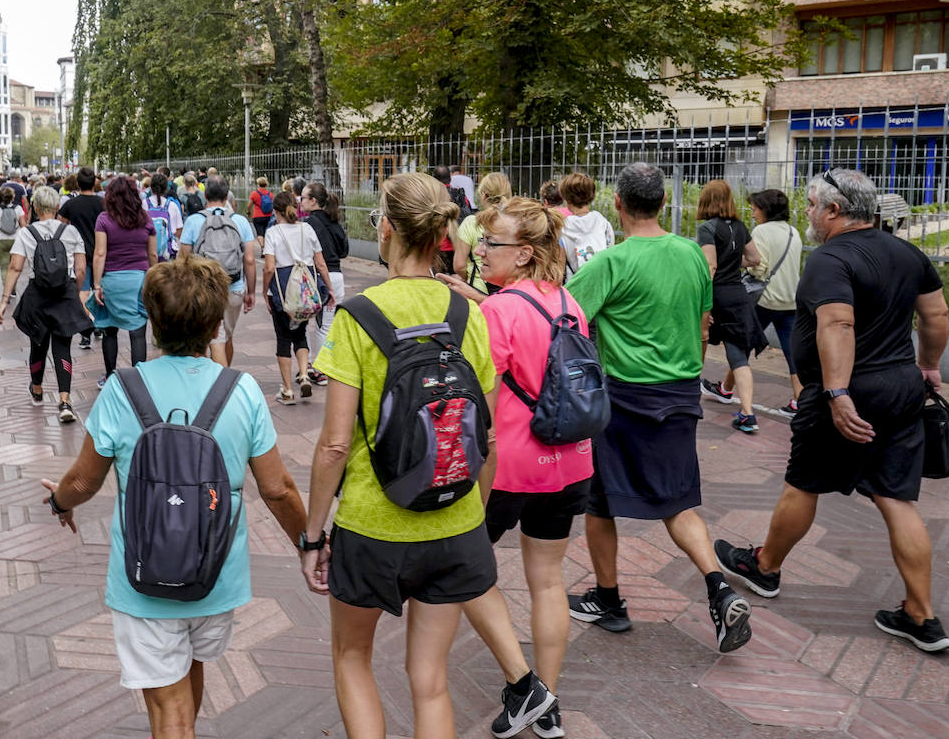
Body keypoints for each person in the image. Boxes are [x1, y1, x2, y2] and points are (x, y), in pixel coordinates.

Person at [302, 172, 554, 739]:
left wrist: (314, 535)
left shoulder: (359, 316)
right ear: (443, 232)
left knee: (351, 659)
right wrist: (472, 515)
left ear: (386, 227)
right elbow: (485, 436)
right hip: (455, 522)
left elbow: (335, 444)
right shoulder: (470, 313)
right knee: (430, 677)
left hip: (373, 527)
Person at [38, 255, 309, 739]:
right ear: (212, 324)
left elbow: (83, 481)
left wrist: (60, 503)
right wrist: (309, 544)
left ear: (153, 320)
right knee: (189, 677)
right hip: (216, 578)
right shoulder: (241, 390)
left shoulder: (124, 390)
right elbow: (278, 488)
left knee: (169, 712)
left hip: (144, 580)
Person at [714, 169, 949, 653]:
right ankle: (922, 616)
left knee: (804, 483)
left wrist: (837, 393)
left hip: (845, 391)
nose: (808, 213)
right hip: (902, 387)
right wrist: (928, 365)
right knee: (896, 498)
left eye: (812, 205)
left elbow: (838, 323)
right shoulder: (908, 254)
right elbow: (936, 315)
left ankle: (764, 567)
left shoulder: (830, 259)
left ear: (835, 211)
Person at [565, 162, 753, 653]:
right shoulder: (692, 254)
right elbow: (703, 320)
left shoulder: (611, 262)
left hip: (624, 398)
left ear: (618, 204)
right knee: (678, 501)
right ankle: (719, 585)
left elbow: (564, 319)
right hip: (681, 392)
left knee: (599, 500)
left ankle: (609, 599)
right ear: (664, 204)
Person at [440, 197, 593, 739]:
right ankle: (545, 704)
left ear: (524, 253)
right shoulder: (567, 300)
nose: (480, 250)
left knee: (463, 567)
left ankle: (522, 680)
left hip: (509, 466)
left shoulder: (497, 311)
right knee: (548, 580)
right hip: (570, 460)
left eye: (491, 243)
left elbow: (475, 393)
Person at [0, 185, 92, 424]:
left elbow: (15, 267)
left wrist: (4, 301)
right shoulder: (71, 232)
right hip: (65, 294)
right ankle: (65, 400)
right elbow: (80, 269)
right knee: (63, 348)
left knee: (38, 345)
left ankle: (37, 388)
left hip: (37, 296)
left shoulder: (27, 234)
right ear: (57, 207)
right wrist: (75, 292)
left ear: (35, 208)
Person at [695, 180, 766, 434]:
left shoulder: (707, 228)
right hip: (738, 296)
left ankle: (691, 398)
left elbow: (710, 267)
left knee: (699, 342)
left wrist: (705, 305)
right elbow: (755, 259)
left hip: (717, 296)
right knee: (738, 356)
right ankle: (748, 414)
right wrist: (734, 264)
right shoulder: (740, 226)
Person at [727, 189, 802, 417]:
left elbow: (758, 267)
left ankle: (728, 392)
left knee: (740, 346)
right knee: (793, 354)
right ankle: (800, 401)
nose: (752, 213)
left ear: (766, 209)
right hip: (790, 300)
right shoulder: (793, 232)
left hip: (765, 299)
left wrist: (732, 261)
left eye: (755, 209)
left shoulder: (761, 231)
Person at [262, 190, 334, 404]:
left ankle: (287, 390)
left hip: (284, 289)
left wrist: (265, 291)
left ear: (276, 212)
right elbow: (320, 263)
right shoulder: (308, 228)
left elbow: (269, 267)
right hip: (306, 288)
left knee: (283, 337)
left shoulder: (273, 233)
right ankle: (303, 374)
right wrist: (329, 288)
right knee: (301, 333)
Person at [179, 176, 257, 368]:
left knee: (211, 340)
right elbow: (249, 259)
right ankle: (223, 378)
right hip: (234, 287)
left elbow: (183, 260)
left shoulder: (193, 221)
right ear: (227, 195)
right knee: (225, 337)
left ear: (205, 194)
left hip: (203, 289)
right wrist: (251, 291)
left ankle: (218, 385)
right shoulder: (240, 221)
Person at [89, 176, 157, 388]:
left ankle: (110, 375)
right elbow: (153, 255)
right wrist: (152, 279)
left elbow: (100, 253)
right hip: (139, 281)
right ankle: (139, 381)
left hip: (112, 281)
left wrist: (97, 284)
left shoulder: (104, 219)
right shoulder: (145, 219)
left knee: (110, 330)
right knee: (138, 333)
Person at [301, 182, 348, 386]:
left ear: (313, 201)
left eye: (303, 197)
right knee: (328, 325)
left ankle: (319, 370)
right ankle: (323, 366)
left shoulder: (310, 223)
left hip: (322, 276)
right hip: (338, 276)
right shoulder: (334, 221)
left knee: (320, 326)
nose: (300, 201)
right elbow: (344, 250)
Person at [59, 167, 107, 351]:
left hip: (79, 252)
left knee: (83, 292)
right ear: (95, 182)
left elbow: (61, 225)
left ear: (78, 183)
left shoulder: (71, 204)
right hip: (100, 252)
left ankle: (85, 331)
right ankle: (100, 325)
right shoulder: (103, 203)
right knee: (100, 289)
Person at [453, 172, 512, 295]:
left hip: (478, 288)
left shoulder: (471, 222)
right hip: (509, 288)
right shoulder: (513, 222)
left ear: (484, 195)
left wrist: (466, 276)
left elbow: (459, 265)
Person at [558, 172, 615, 279]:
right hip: (602, 285)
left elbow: (560, 269)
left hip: (574, 288)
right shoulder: (604, 224)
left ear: (567, 198)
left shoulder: (562, 229)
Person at [430, 165, 467, 275]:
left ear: (434, 179)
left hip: (436, 245)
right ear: (450, 178)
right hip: (457, 244)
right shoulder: (459, 194)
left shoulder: (431, 196)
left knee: (436, 279)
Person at [0, 185, 26, 278]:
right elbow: (23, 225)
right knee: (14, 268)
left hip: (0, 240)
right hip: (16, 240)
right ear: (12, 197)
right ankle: (13, 289)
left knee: (4, 268)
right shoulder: (18, 208)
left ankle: (7, 290)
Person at [144, 172, 184, 259]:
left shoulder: (143, 204)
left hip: (147, 251)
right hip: (168, 252)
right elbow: (179, 230)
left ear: (150, 187)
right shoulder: (172, 205)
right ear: (166, 188)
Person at [249, 176, 273, 241]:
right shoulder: (270, 194)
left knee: (260, 233)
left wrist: (248, 211)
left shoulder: (254, 194)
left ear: (258, 184)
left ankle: (262, 247)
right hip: (268, 216)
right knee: (266, 232)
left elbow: (249, 205)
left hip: (257, 216)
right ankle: (266, 246)